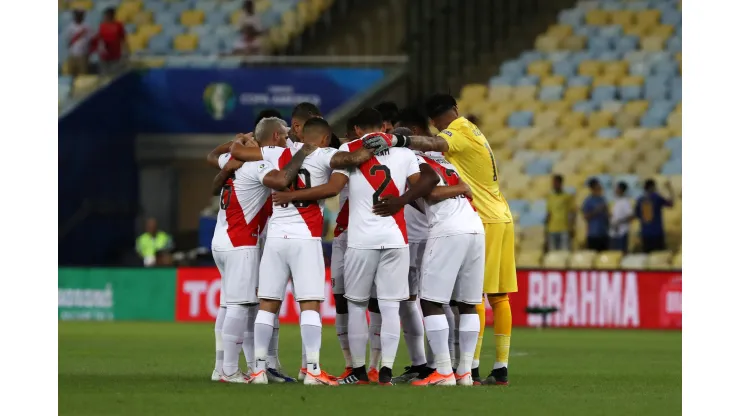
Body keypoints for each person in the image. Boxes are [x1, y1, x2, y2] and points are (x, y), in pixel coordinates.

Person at [273, 108, 438, 385]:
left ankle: (358, 371)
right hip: (396, 238)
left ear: (359, 130)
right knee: (388, 306)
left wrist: (292, 195)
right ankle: (385, 369)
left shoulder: (350, 149)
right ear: (383, 128)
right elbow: (430, 179)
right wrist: (401, 200)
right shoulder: (402, 152)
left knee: (356, 304)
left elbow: (334, 188)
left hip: (362, 241)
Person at [363, 94, 517, 386]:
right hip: (491, 216)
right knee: (486, 299)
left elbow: (434, 155)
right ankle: (484, 370)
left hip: (469, 220)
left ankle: (455, 369)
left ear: (432, 122)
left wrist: (398, 147)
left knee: (445, 300)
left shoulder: (449, 137)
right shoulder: (472, 130)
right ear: (456, 108)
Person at [228, 118, 375, 383]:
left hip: (275, 236)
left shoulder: (276, 151)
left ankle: (259, 369)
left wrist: (240, 140)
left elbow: (237, 153)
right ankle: (312, 369)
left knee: (268, 304)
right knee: (309, 304)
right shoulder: (325, 154)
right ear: (323, 138)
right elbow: (352, 162)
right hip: (305, 238)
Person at [210, 117, 316, 383]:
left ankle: (221, 367)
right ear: (276, 137)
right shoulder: (258, 163)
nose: (289, 136)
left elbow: (214, 157)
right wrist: (302, 152)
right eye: (285, 134)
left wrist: (238, 141)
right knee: (239, 306)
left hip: (220, 239)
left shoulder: (234, 161)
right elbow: (280, 180)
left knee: (229, 305)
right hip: (241, 241)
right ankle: (229, 370)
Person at [407, 150, 484, 386]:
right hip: (475, 228)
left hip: (448, 230)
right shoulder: (445, 161)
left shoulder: (414, 160)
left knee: (430, 301)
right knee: (467, 303)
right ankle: (465, 372)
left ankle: (443, 371)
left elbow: (431, 192)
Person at [635, 179, 674, 253]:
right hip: (657, 233)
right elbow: (671, 204)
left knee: (648, 258)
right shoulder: (657, 198)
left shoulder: (640, 200)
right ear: (652, 187)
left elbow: (637, 215)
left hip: (645, 233)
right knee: (659, 258)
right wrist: (670, 189)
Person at [94, 7, 127, 75]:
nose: (106, 17)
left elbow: (123, 39)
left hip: (115, 55)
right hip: (104, 56)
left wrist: (125, 51)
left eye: (107, 15)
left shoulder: (118, 25)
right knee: (105, 75)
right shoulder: (102, 26)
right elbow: (99, 39)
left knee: (115, 75)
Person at [546, 174, 575, 251]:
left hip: (564, 228)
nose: (554, 184)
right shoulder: (550, 197)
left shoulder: (567, 196)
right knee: (552, 253)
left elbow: (571, 213)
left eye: (555, 182)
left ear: (560, 183)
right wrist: (546, 228)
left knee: (564, 252)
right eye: (553, 183)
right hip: (552, 229)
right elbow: (549, 213)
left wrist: (571, 227)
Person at [582, 178, 610, 251]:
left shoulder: (603, 199)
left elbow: (607, 215)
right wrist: (596, 211)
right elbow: (585, 216)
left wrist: (607, 213)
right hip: (593, 234)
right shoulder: (588, 201)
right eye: (598, 187)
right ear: (592, 189)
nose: (600, 189)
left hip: (604, 233)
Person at [65, 9, 92, 80]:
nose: (78, 17)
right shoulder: (70, 27)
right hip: (73, 54)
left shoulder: (87, 27)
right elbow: (68, 40)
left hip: (83, 55)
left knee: (83, 76)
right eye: (77, 15)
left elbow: (89, 40)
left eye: (80, 15)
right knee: (70, 75)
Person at [609, 182, 633, 253]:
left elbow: (631, 217)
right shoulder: (616, 201)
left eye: (617, 188)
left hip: (621, 233)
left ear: (621, 190)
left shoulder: (625, 202)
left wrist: (619, 222)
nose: (615, 190)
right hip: (613, 232)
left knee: (621, 254)